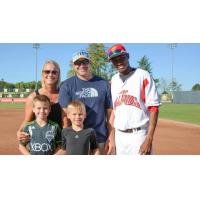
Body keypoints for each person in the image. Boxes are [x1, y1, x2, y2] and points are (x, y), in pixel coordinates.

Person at [59, 50, 115, 155]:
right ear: (73, 66)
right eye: (78, 63)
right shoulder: (66, 85)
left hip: (100, 140)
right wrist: (67, 141)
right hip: (76, 141)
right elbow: (66, 117)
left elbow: (110, 114)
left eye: (85, 62)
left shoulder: (103, 84)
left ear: (90, 63)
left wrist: (111, 138)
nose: (82, 65)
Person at [107, 44, 160, 155]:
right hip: (119, 136)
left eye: (121, 58)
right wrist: (111, 139)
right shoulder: (113, 80)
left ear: (128, 56)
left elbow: (154, 108)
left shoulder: (143, 75)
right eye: (114, 60)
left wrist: (149, 139)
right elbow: (114, 111)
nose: (119, 62)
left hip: (139, 135)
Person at [17, 60, 62, 142]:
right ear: (42, 74)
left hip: (58, 143)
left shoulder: (64, 94)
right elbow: (27, 120)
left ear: (58, 75)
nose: (50, 74)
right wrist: (19, 132)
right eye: (47, 71)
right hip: (38, 143)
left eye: (54, 72)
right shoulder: (33, 97)